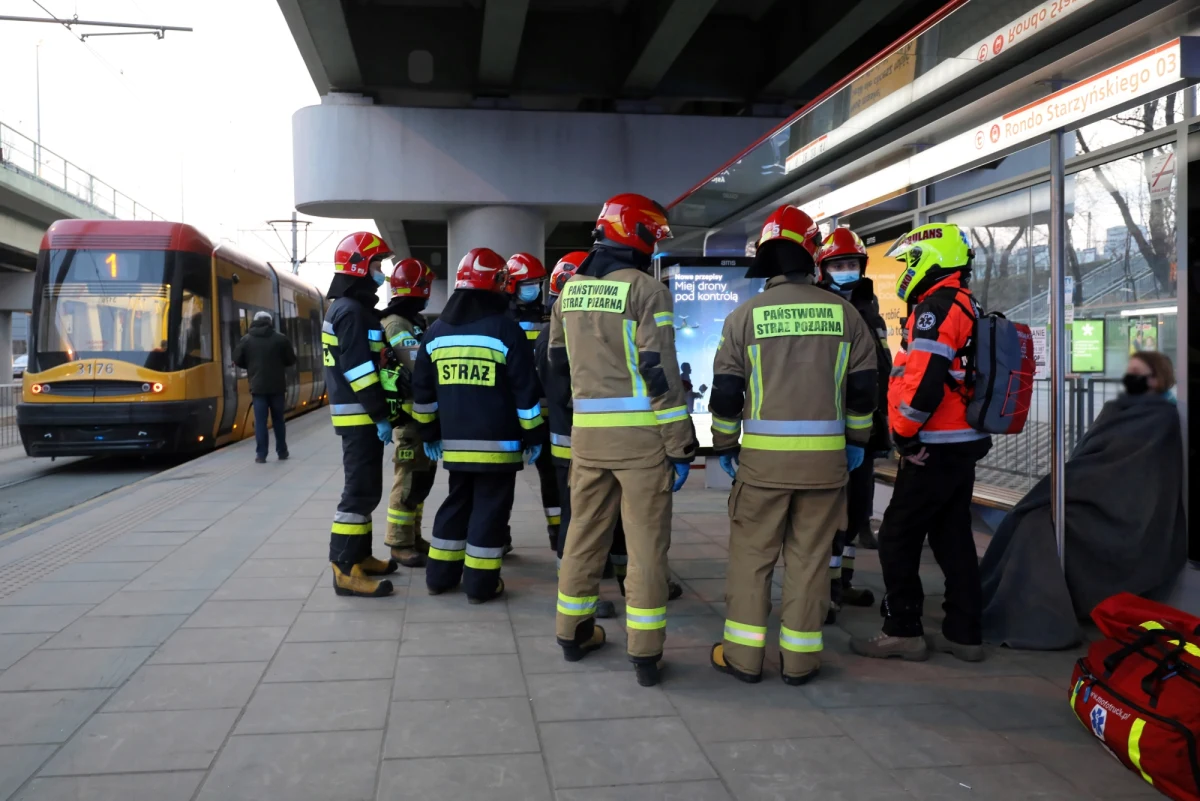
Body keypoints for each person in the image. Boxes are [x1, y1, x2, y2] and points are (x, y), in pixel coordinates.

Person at [708, 204, 877, 686]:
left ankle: (742, 658)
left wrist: (725, 445)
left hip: (761, 467)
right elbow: (864, 391)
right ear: (813, 257)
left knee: (751, 559)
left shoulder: (744, 317)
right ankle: (800, 661)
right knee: (810, 561)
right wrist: (856, 441)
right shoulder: (845, 314)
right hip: (826, 467)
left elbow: (725, 393)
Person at [549, 193, 697, 688]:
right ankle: (645, 654)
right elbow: (660, 375)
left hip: (587, 440)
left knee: (582, 537)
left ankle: (572, 635)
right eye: (653, 236)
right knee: (646, 547)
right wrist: (680, 445)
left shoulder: (568, 292)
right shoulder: (647, 291)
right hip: (640, 443)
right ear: (636, 233)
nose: (654, 245)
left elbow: (556, 368)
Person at [850, 223, 991, 662]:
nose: (909, 269)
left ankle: (903, 629)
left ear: (933, 258)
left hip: (935, 442)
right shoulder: (965, 302)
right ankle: (963, 633)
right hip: (962, 439)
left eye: (911, 261)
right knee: (952, 535)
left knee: (896, 534)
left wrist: (905, 438)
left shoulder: (936, 308)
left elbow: (924, 382)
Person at [979, 351, 1186, 649]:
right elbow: (1090, 456)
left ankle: (1039, 614)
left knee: (1038, 525)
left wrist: (1076, 483)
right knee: (1032, 518)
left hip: (1122, 510)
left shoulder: (1159, 417)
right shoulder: (1119, 409)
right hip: (1093, 496)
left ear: (1159, 378)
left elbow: (1136, 471)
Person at [412, 247, 544, 604]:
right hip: (498, 446)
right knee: (490, 510)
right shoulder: (506, 330)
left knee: (457, 503)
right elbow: (525, 392)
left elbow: (422, 393)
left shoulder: (435, 332)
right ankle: (480, 586)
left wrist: (428, 433)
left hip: (454, 445)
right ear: (498, 284)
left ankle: (439, 577)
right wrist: (533, 435)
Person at [536, 251, 618, 619]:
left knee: (596, 513)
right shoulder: (566, 334)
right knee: (579, 516)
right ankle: (576, 591)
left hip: (578, 438)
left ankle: (609, 574)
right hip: (576, 439)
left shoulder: (559, 331)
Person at [815, 227, 892, 619]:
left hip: (867, 425)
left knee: (858, 510)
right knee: (832, 513)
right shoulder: (821, 309)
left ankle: (843, 583)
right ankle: (825, 590)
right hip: (835, 426)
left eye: (851, 264)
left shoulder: (869, 306)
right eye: (838, 264)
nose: (846, 270)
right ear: (823, 269)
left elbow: (881, 366)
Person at [322, 232, 400, 597]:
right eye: (376, 265)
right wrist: (380, 414)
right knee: (357, 493)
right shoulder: (351, 312)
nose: (381, 272)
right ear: (358, 267)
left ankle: (361, 557)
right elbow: (358, 371)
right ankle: (344, 568)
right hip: (360, 416)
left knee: (367, 489)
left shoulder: (348, 308)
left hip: (358, 414)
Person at [380, 258, 438, 568]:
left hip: (418, 416)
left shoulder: (410, 321)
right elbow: (417, 365)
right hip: (407, 418)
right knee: (406, 482)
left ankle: (413, 536)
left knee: (419, 480)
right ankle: (399, 543)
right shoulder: (397, 323)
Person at [505, 252, 562, 550]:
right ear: (512, 284)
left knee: (551, 476)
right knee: (501, 478)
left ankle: (558, 535)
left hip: (546, 408)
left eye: (539, 283)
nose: (535, 289)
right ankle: (498, 533)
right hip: (510, 410)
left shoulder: (549, 315)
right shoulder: (501, 318)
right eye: (528, 283)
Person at [233, 310, 296, 464]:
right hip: (277, 387)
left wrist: (250, 366)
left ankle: (261, 454)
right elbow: (291, 360)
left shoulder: (246, 340)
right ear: (269, 322)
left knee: (260, 422)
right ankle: (282, 451)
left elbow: (237, 359)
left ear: (255, 321)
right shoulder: (281, 339)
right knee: (278, 420)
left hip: (258, 387)